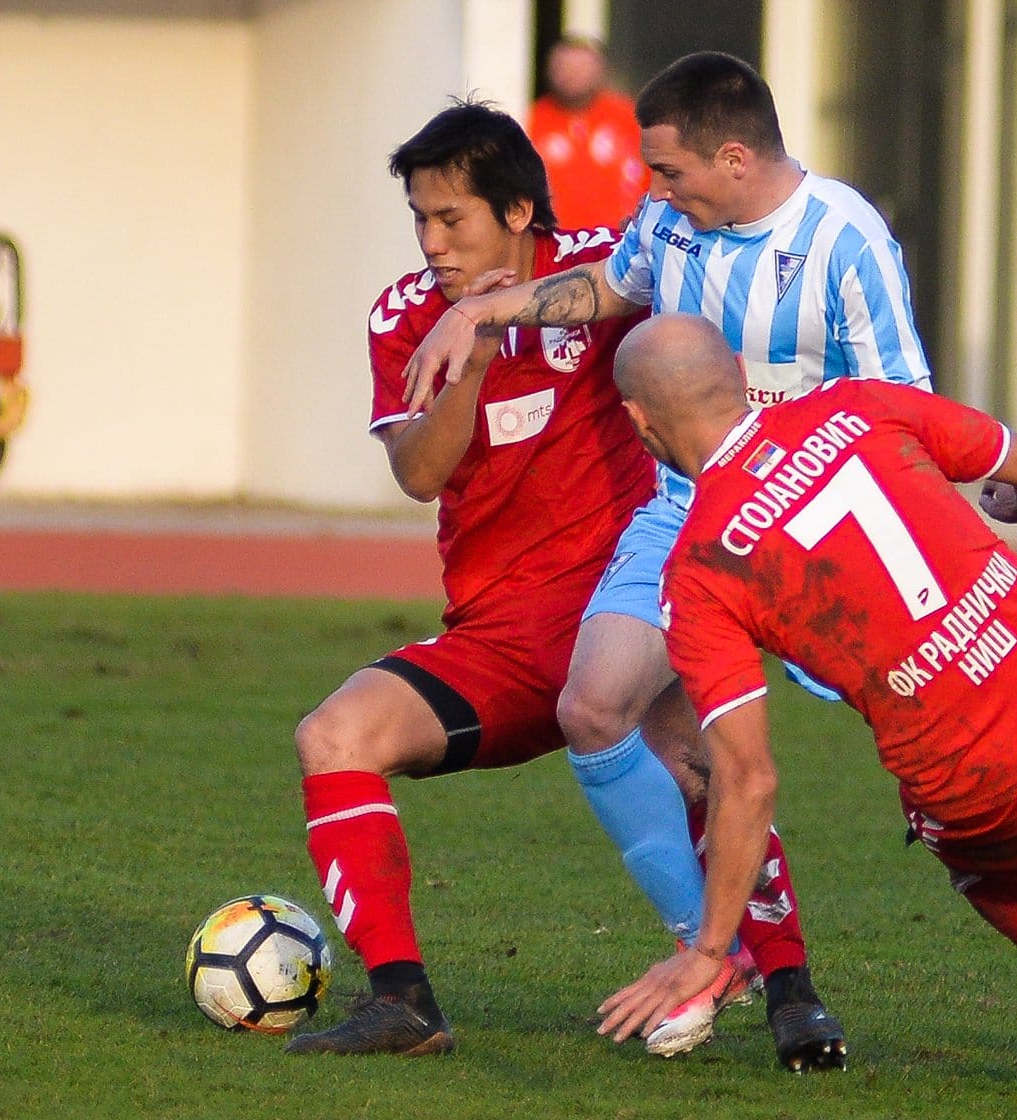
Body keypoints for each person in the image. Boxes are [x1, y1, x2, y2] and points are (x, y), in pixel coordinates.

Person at [401, 50, 1017, 1072]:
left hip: (818, 528)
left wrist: (959, 507)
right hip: (689, 513)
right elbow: (611, 283)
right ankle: (715, 955)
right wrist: (483, 309)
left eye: (667, 172)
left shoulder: (844, 240)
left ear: (733, 159)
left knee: (959, 754)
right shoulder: (670, 221)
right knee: (594, 705)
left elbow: (896, 414)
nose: (649, 194)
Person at [596, 313, 1017, 1113]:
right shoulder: (854, 403)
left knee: (994, 874)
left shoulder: (701, 566)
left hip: (974, 769)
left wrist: (711, 950)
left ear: (640, 422)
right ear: (739, 381)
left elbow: (746, 779)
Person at [283, 100, 757, 1057]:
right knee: (334, 736)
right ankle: (403, 1004)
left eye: (449, 218)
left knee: (702, 761)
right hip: (498, 641)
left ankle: (778, 984)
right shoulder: (405, 315)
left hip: (626, 609)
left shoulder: (610, 268)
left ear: (516, 214)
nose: (430, 242)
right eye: (418, 218)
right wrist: (472, 351)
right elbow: (418, 474)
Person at [527, 35, 650, 230]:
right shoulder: (530, 121)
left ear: (601, 70)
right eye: (564, 68)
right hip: (556, 245)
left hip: (620, 243)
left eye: (581, 68)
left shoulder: (631, 118)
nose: (572, 75)